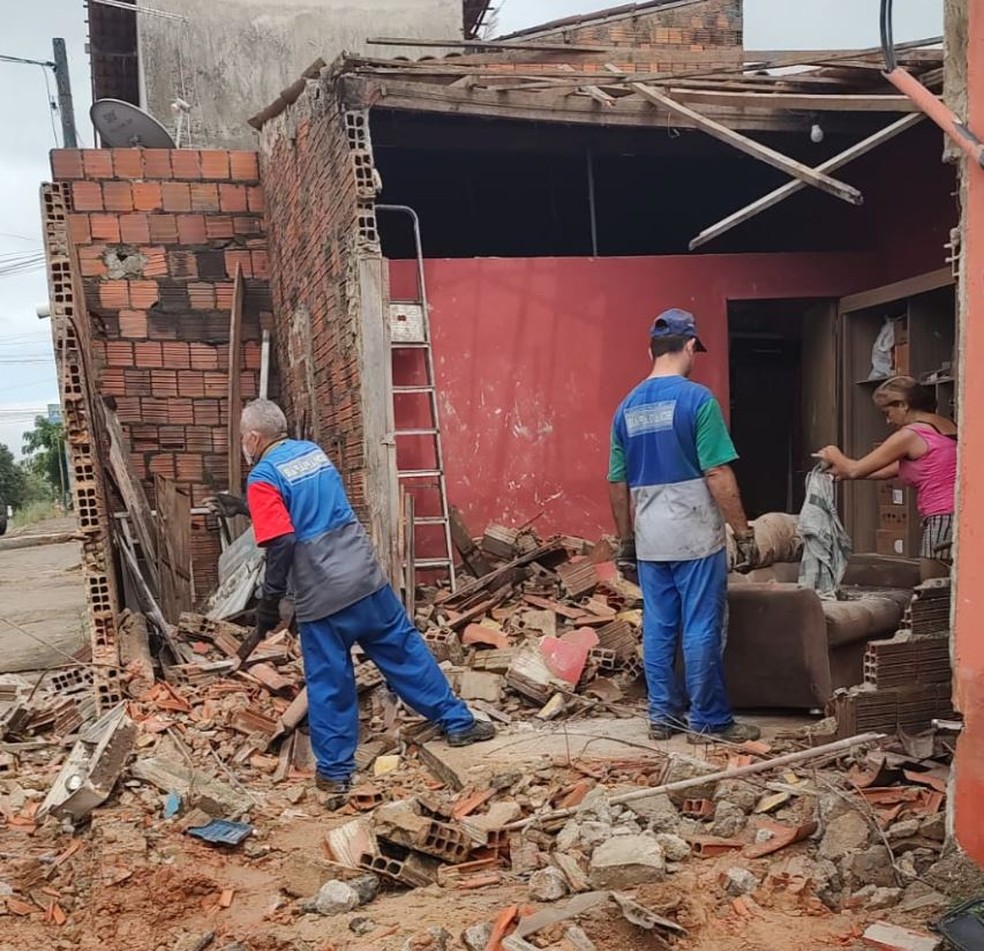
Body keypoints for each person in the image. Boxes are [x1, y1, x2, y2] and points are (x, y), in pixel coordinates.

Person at [239, 398, 494, 806]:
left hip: (322, 592)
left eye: (243, 439)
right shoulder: (313, 453)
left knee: (330, 680)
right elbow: (313, 505)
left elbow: (283, 539)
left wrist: (270, 603)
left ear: (253, 437)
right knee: (404, 650)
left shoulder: (262, 477)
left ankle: (336, 775)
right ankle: (457, 722)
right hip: (364, 577)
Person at [608, 308, 761, 743]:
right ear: (690, 346)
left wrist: (625, 541)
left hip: (651, 534)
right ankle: (709, 721)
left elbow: (617, 482)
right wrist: (744, 532)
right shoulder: (697, 400)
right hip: (694, 533)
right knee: (700, 626)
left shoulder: (627, 407)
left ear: (650, 350)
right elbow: (717, 474)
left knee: (658, 626)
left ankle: (663, 717)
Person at [815, 375, 956, 580]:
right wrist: (844, 474)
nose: (888, 420)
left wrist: (832, 452)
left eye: (887, 412)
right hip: (957, 515)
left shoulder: (910, 434)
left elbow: (855, 468)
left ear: (903, 405)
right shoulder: (946, 425)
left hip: (942, 518)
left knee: (932, 591)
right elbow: (892, 469)